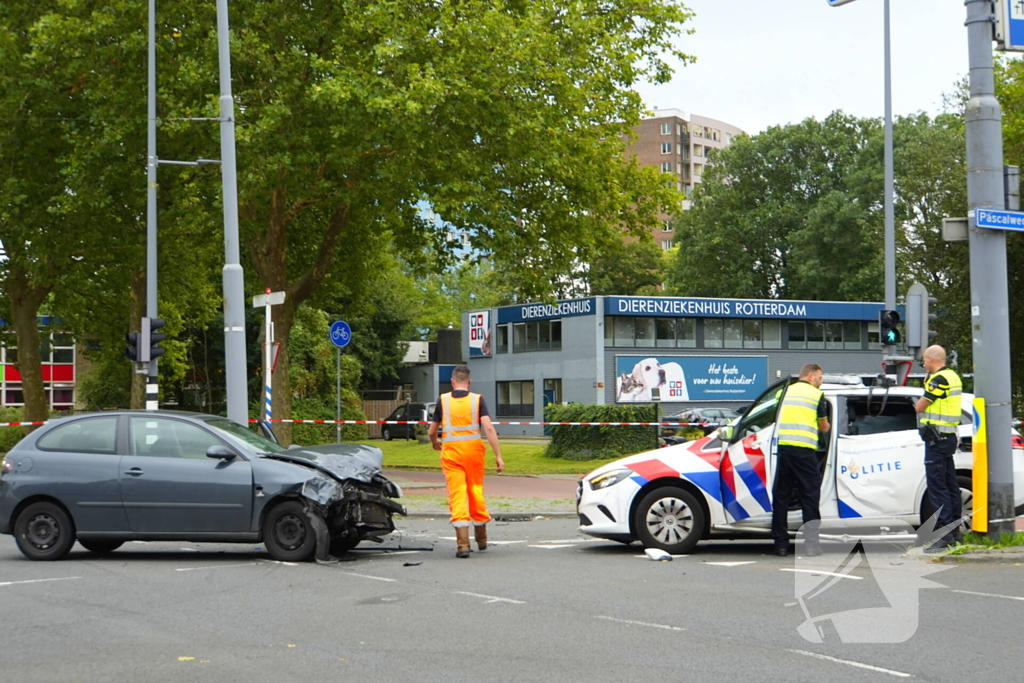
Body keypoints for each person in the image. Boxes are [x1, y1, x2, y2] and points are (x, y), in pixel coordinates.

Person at [428, 365, 505, 558]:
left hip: (452, 454)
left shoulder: (443, 400)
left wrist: (435, 441)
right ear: (469, 382)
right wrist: (498, 455)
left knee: (457, 494)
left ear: (452, 382)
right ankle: (482, 539)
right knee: (475, 491)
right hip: (474, 453)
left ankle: (463, 544)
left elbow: (431, 430)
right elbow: (487, 427)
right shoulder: (477, 399)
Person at [771, 363, 830, 557]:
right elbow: (823, 427)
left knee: (781, 496)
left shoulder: (784, 392)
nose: (821, 383)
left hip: (784, 450)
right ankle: (812, 545)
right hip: (805, 452)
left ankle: (780, 545)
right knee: (810, 497)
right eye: (820, 378)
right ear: (811, 376)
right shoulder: (815, 395)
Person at [915, 345, 963, 553]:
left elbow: (920, 406)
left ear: (933, 359)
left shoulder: (938, 380)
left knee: (937, 487)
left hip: (937, 439)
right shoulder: (953, 377)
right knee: (950, 485)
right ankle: (955, 532)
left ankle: (944, 534)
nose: (924, 364)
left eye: (925, 360)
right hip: (948, 437)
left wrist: (925, 391)